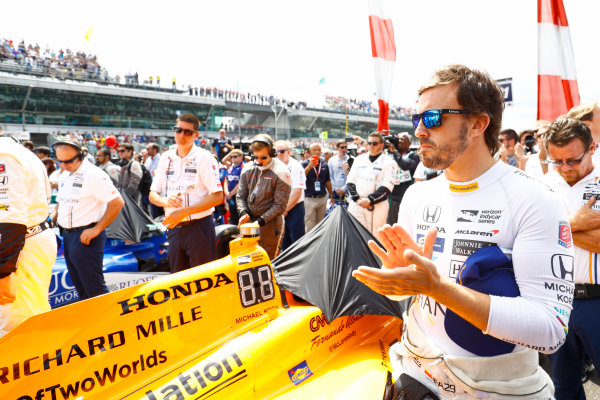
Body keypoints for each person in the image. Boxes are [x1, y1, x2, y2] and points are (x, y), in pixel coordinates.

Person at [352, 64, 573, 399]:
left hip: (497, 389)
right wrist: (400, 279)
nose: (419, 131)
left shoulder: (534, 198)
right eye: (417, 120)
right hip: (415, 374)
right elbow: (408, 296)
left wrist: (441, 289)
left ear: (478, 123)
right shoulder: (418, 194)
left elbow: (551, 332)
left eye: (433, 118)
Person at [540, 117, 600, 399]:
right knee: (562, 387)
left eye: (572, 160)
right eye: (557, 161)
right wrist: (576, 222)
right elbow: (528, 236)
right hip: (556, 301)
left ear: (592, 148)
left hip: (598, 300)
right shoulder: (542, 185)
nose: (565, 168)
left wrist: (555, 228)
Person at [149, 114, 223, 273]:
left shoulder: (204, 157)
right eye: (178, 130)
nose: (182, 135)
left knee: (203, 279)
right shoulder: (165, 158)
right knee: (178, 280)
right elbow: (152, 194)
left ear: (196, 135)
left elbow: (217, 196)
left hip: (199, 227)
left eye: (188, 132)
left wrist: (184, 212)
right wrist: (166, 201)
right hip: (173, 227)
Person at [0, 135, 57, 336]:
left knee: (18, 327)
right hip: (26, 242)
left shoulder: (4, 154)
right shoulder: (14, 150)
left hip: (22, 246)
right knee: (25, 320)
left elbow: (9, 217)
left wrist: (4, 271)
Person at [53, 140, 124, 300]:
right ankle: (93, 321)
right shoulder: (65, 174)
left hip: (87, 236)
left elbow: (117, 202)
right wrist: (54, 214)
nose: (64, 165)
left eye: (68, 161)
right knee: (80, 285)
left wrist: (97, 229)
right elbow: (62, 199)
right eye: (60, 161)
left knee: (94, 287)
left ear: (81, 156)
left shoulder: (94, 175)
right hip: (69, 235)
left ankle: (107, 324)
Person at [237, 135, 291, 259]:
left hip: (271, 226)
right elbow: (240, 195)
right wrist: (243, 212)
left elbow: (280, 205)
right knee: (246, 261)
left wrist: (259, 221)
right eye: (256, 157)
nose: (259, 160)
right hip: (249, 222)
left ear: (272, 153)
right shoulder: (248, 168)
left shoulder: (282, 171)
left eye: (263, 157)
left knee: (268, 262)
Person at [346, 131, 396, 239]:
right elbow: (350, 181)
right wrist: (356, 199)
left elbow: (387, 187)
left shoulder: (389, 162)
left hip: (376, 206)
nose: (371, 146)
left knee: (375, 238)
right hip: (357, 204)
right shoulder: (359, 159)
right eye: (369, 143)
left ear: (381, 145)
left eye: (375, 143)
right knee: (354, 236)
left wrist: (370, 200)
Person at [275, 140, 306, 251]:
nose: (278, 154)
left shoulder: (296, 167)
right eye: (276, 151)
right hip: (281, 209)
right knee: (284, 243)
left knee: (296, 244)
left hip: (294, 209)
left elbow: (297, 192)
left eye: (282, 151)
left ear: (289, 152)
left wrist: (285, 209)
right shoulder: (276, 166)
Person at [386, 132, 420, 225]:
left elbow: (405, 165)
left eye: (402, 139)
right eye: (398, 139)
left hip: (403, 196)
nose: (399, 141)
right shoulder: (390, 155)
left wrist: (395, 152)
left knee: (402, 224)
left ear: (409, 143)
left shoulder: (414, 156)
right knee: (389, 224)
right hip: (390, 195)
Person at [301, 142, 333, 232]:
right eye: (315, 150)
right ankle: (310, 245)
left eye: (319, 150)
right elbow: (301, 177)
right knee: (309, 225)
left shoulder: (324, 164)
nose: (317, 152)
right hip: (309, 198)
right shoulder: (304, 164)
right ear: (310, 151)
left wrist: (331, 194)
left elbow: (327, 181)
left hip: (322, 198)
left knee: (321, 225)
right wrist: (309, 166)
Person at [224, 149, 245, 225]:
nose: (232, 158)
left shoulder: (243, 167)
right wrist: (226, 192)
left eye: (235, 156)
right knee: (232, 214)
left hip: (239, 195)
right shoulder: (230, 167)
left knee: (238, 215)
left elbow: (240, 182)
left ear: (241, 157)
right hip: (230, 195)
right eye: (231, 157)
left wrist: (231, 193)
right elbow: (226, 180)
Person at [328, 139, 351, 207]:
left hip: (347, 190)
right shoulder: (332, 160)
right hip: (335, 191)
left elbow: (352, 177)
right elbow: (330, 176)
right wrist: (336, 189)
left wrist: (344, 189)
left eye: (346, 147)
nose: (344, 149)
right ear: (337, 148)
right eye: (342, 147)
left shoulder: (350, 159)